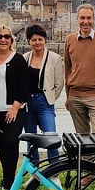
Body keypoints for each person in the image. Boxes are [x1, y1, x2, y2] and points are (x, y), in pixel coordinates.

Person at [0, 25, 29, 190]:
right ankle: (6, 177)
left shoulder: (17, 59)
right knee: (1, 145)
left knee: (10, 143)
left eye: (7, 37)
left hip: (12, 111)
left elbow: (25, 86)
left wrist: (15, 107)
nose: (3, 39)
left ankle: (10, 183)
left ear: (11, 40)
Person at [63, 3, 95, 134]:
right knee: (82, 138)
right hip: (75, 96)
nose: (86, 22)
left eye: (89, 18)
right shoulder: (70, 40)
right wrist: (67, 96)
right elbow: (67, 68)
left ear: (94, 19)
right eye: (82, 18)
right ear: (77, 19)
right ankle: (85, 156)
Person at [23, 24, 64, 164]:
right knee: (31, 139)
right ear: (29, 41)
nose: (37, 43)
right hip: (28, 103)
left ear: (45, 40)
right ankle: (34, 172)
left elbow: (59, 84)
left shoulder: (55, 58)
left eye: (40, 39)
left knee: (51, 137)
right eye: (34, 40)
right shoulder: (25, 58)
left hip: (45, 102)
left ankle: (54, 173)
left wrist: (50, 99)